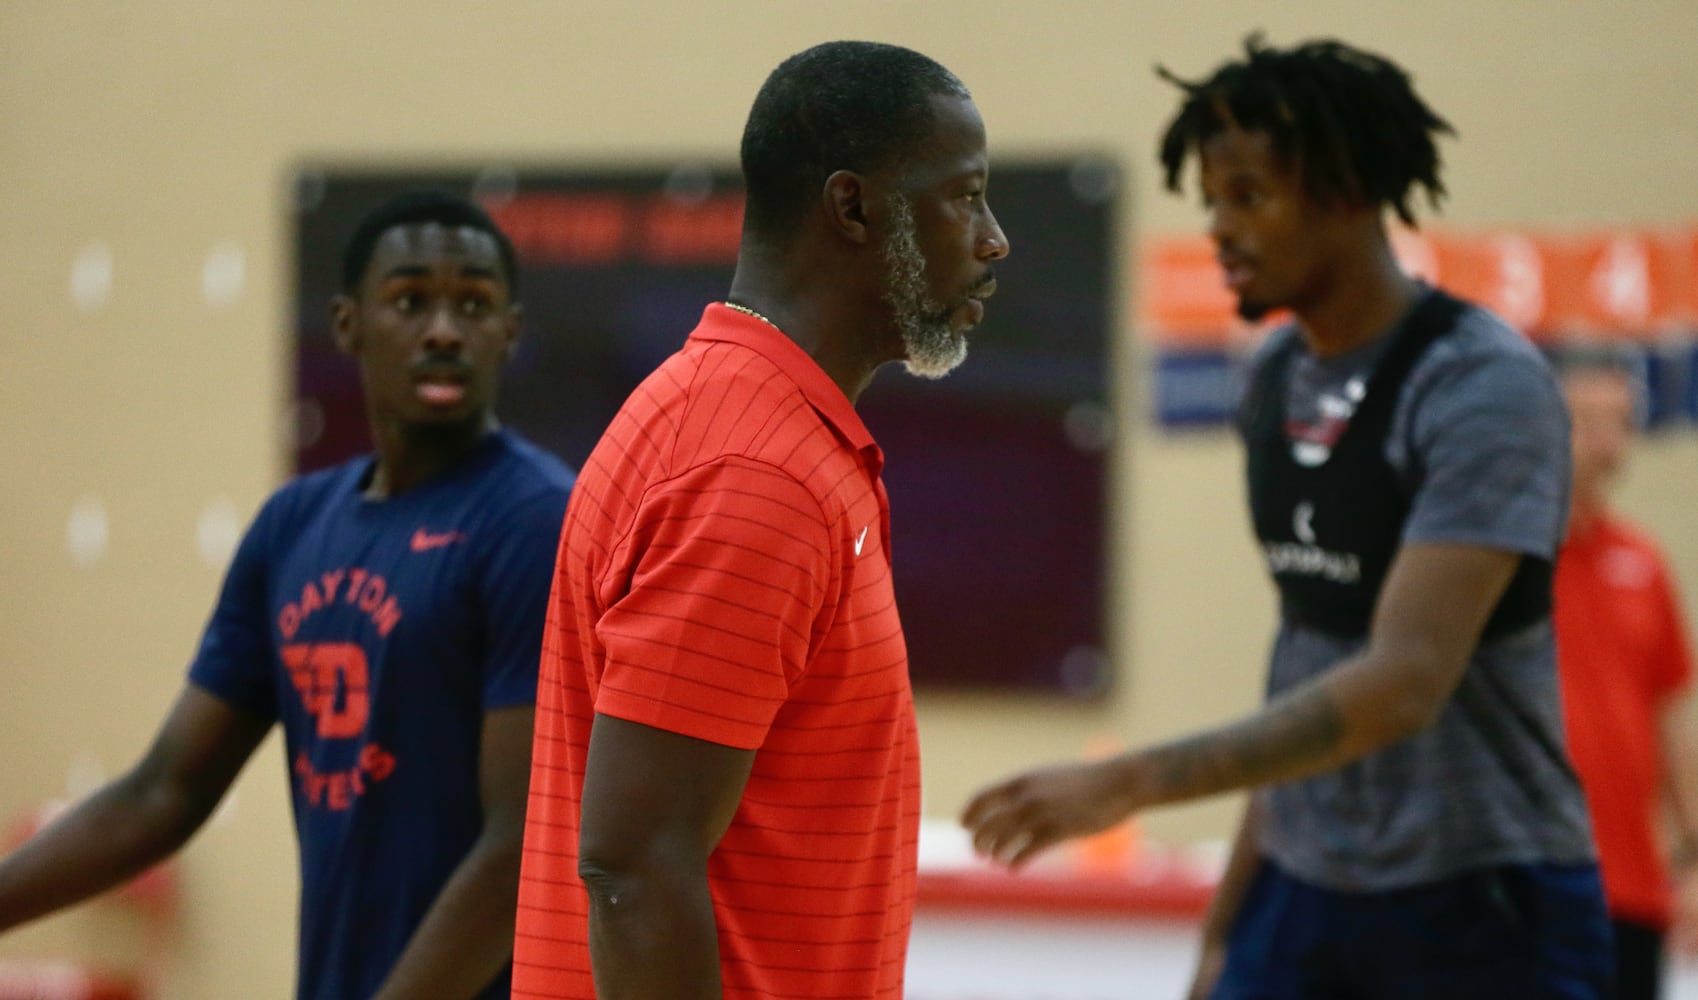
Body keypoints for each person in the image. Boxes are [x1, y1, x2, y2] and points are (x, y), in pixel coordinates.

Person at [962, 36, 1612, 998]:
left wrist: (1129, 780)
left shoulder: (1481, 384)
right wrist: (1229, 928)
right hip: (1306, 893)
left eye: (1249, 197)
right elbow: (1307, 654)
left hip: (1484, 899)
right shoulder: (1275, 376)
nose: (1220, 228)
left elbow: (1403, 684)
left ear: (1347, 192)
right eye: (1212, 200)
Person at [511, 40, 1008, 999]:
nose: (994, 239)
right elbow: (636, 866)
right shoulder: (755, 471)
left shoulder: (761, 422)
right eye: (965, 195)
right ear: (854, 207)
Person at [0, 188, 573, 1000]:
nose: (444, 329)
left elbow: (523, 844)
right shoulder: (293, 526)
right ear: (347, 324)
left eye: (474, 306)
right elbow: (166, 789)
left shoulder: (536, 521)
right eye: (410, 301)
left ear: (509, 334)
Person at [1552, 348, 1698, 1000]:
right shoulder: (1498, 563)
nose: (1608, 444)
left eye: (1622, 423)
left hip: (1633, 889)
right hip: (1529, 887)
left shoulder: (1642, 562)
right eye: (1588, 422)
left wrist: (1692, 858)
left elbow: (1673, 723)